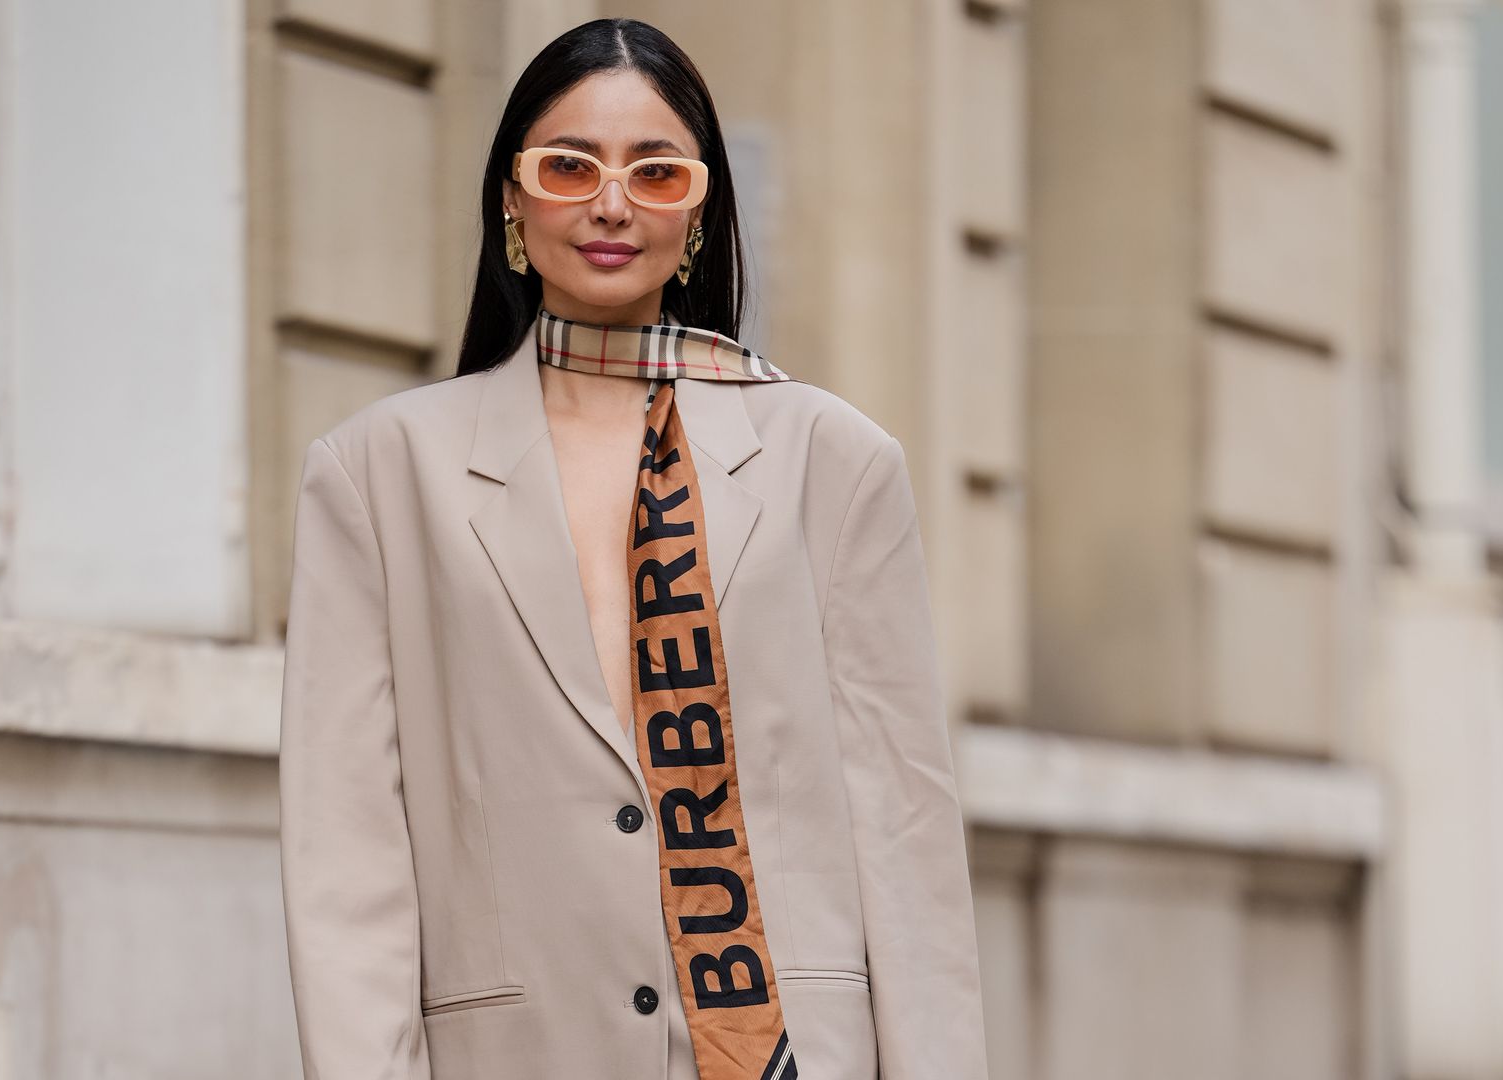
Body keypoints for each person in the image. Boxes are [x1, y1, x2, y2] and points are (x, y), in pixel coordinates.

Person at [278, 16, 988, 1080]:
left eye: (657, 174)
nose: (611, 203)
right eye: (569, 166)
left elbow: (906, 836)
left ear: (699, 211)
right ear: (511, 197)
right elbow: (348, 864)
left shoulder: (832, 463)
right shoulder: (380, 475)